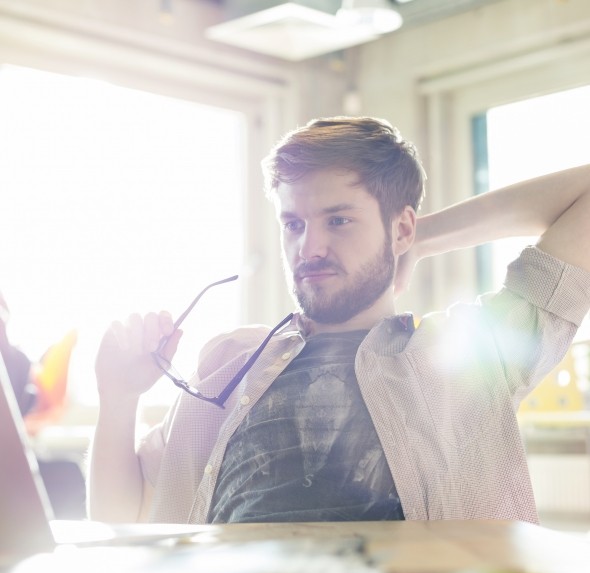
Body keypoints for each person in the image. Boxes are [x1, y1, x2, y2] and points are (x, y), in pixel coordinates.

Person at [88, 116, 590, 525]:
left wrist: (421, 237)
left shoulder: (470, 354)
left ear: (400, 226)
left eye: (339, 219)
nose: (309, 248)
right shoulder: (229, 363)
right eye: (293, 224)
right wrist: (119, 397)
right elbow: (121, 520)